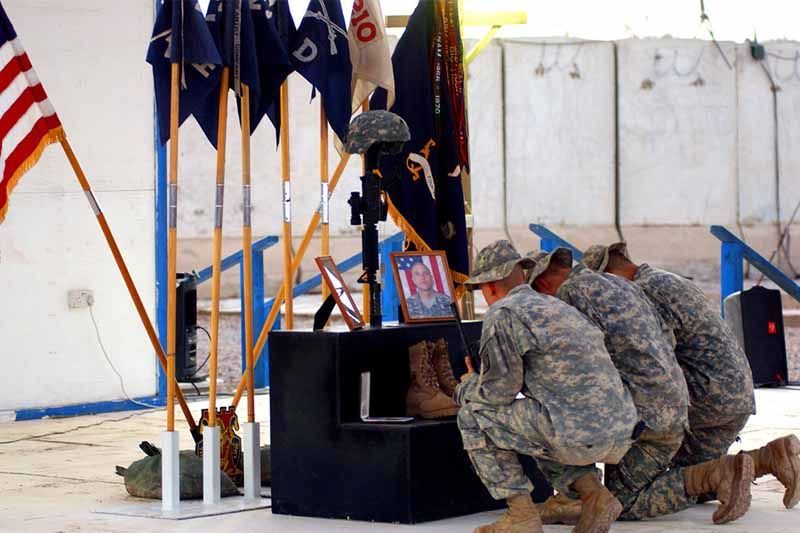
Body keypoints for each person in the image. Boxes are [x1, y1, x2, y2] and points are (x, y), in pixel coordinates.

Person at [528, 247, 754, 525]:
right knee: (691, 482)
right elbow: (662, 344)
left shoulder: (597, 291)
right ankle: (767, 458)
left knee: (613, 501)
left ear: (541, 284)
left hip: (702, 399)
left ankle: (721, 472)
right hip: (725, 399)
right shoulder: (655, 281)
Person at [582, 242, 800, 509]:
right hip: (735, 397)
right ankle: (768, 458)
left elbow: (649, 363)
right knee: (703, 482)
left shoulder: (641, 292)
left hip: (705, 395)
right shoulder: (666, 279)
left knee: (622, 498)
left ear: (607, 276)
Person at [456, 240, 640, 533]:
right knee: (543, 421)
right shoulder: (559, 306)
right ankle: (594, 495)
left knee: (473, 415)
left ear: (489, 287)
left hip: (576, 435)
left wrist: (466, 386)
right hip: (620, 432)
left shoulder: (504, 312)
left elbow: (497, 393)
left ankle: (520, 514)